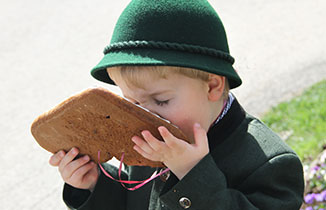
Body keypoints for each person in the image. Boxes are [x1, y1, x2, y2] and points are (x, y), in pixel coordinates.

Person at [49, 0, 304, 209]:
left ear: (212, 86)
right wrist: (95, 185)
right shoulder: (146, 139)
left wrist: (193, 174)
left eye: (161, 100)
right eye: (132, 102)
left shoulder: (270, 163)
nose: (144, 114)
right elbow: (132, 201)